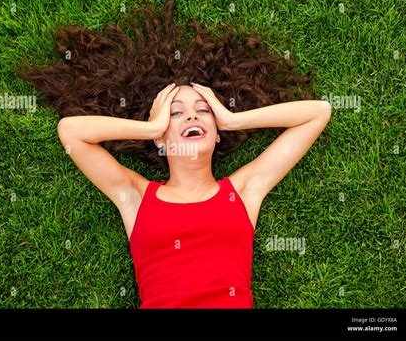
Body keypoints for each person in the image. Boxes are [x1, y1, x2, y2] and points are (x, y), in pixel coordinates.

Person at [56, 82, 331, 308]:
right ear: (160, 139)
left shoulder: (243, 191)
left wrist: (233, 120)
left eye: (204, 110)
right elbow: (71, 131)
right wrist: (151, 128)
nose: (192, 116)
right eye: (175, 113)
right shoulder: (137, 197)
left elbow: (318, 112)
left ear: (218, 133)